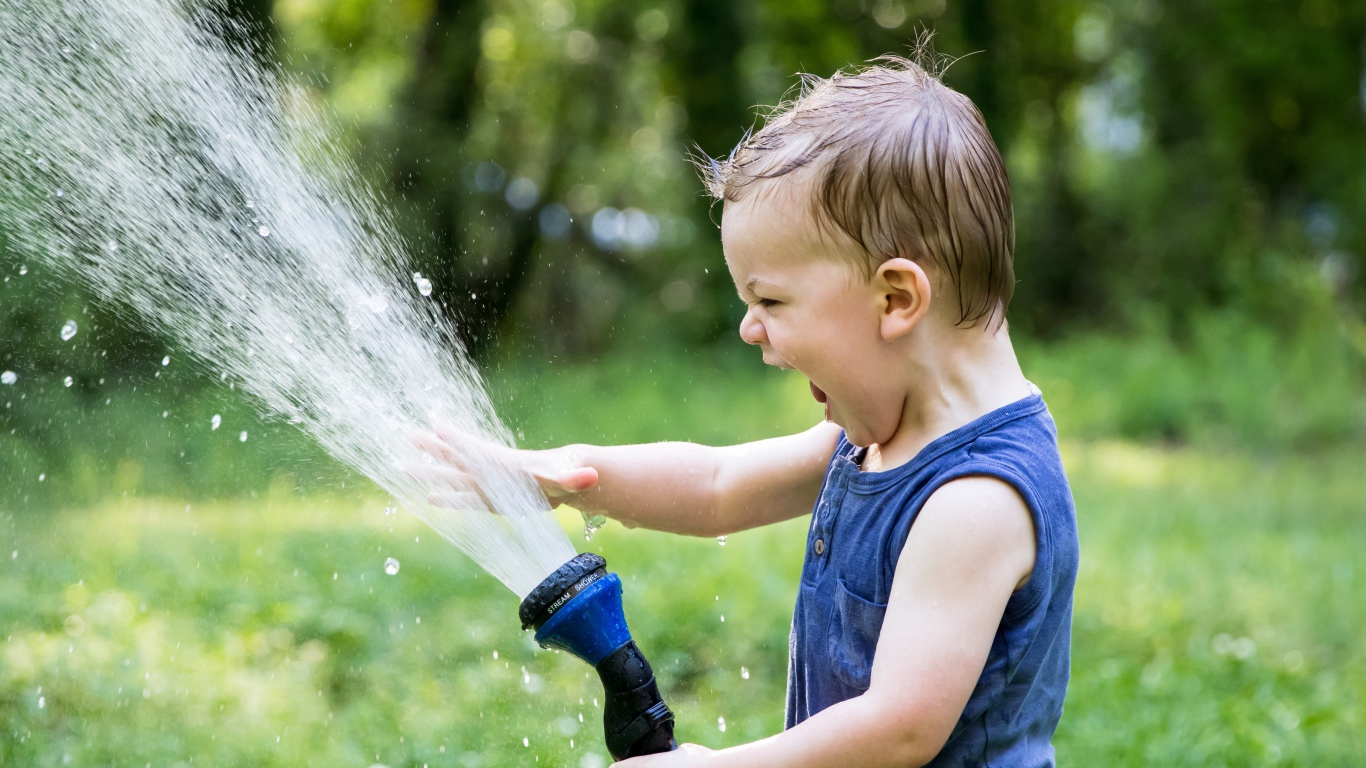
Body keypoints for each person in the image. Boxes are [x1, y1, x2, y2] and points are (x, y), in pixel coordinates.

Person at [415, 52, 1078, 768]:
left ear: (896, 299)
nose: (749, 327)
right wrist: (571, 476)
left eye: (770, 301)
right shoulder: (877, 442)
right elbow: (717, 485)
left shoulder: (974, 499)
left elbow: (901, 728)